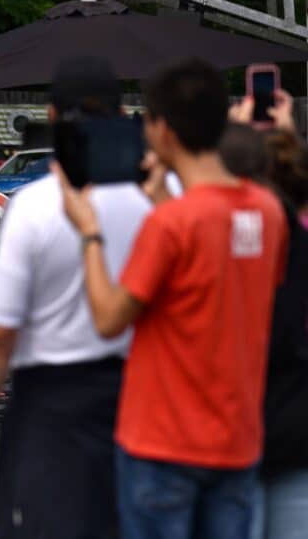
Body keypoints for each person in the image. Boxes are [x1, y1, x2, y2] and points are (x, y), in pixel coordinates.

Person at [55, 59, 288, 539]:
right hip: (237, 439)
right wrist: (165, 201)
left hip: (163, 443)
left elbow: (109, 317)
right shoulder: (268, 211)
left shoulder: (170, 225)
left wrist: (91, 234)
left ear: (161, 129)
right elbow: (216, 269)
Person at [0, 56, 152, 539]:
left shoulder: (32, 209)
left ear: (54, 120)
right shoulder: (153, 205)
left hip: (51, 408)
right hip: (142, 399)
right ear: (122, 116)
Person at [226, 90, 308, 539]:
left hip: (236, 427)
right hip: (297, 424)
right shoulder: (297, 237)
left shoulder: (221, 233)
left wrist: (236, 138)